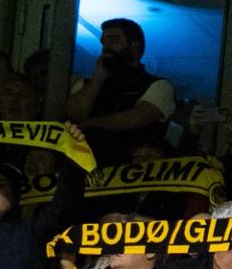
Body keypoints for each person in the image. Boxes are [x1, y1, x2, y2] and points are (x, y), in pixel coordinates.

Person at [71, 17, 181, 163]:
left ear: (135, 46)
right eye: (103, 42)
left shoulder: (159, 86)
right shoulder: (88, 84)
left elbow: (135, 119)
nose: (106, 47)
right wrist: (98, 77)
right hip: (87, 168)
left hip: (131, 172)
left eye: (114, 40)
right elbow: (74, 114)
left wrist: (90, 123)